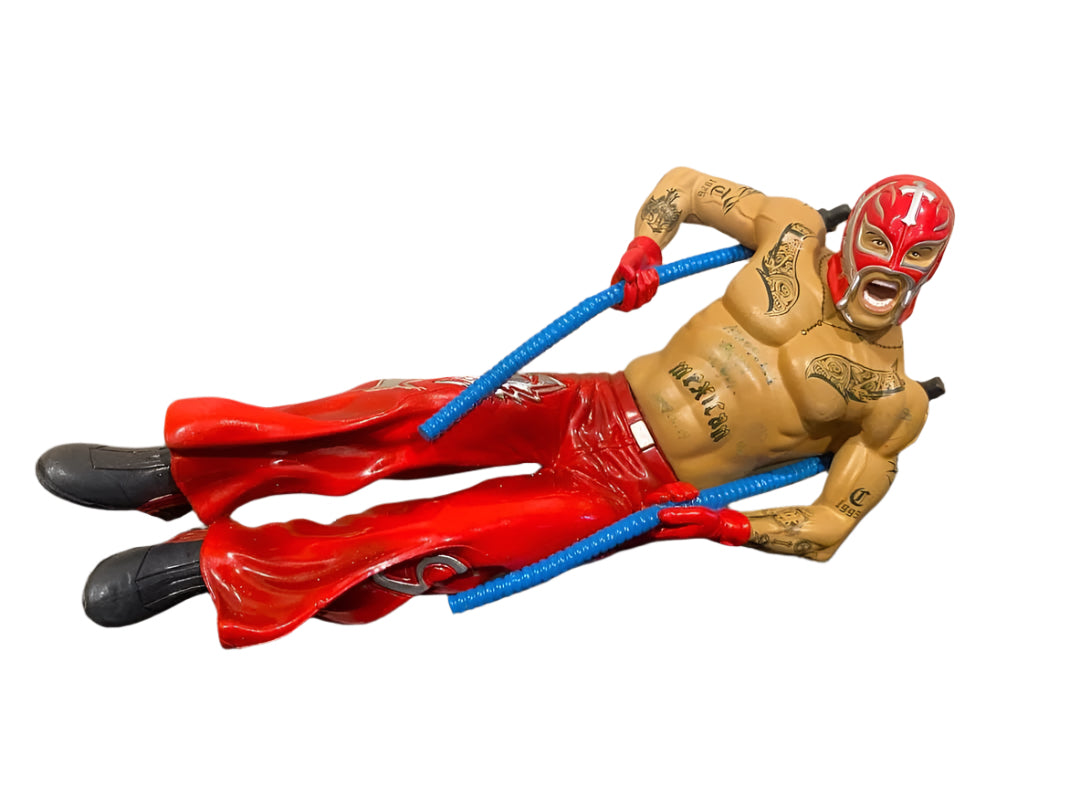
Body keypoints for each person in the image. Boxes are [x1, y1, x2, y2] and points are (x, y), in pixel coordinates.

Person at [37, 170, 953, 648]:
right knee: (400, 410)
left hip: (629, 493)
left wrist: (725, 526)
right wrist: (644, 245)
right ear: (855, 229)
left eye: (910, 261)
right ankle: (183, 470)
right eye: (877, 243)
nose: (885, 272)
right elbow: (682, 186)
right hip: (594, 399)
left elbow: (828, 527)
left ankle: (217, 568)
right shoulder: (791, 229)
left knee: (437, 539)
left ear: (931, 269)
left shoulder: (894, 400)